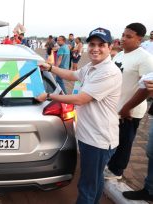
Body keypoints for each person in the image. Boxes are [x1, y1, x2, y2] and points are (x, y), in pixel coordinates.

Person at [36, 27, 122, 204]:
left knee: (87, 186)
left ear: (110, 47)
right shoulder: (93, 66)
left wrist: (50, 96)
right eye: (92, 44)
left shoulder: (108, 71)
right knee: (94, 181)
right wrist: (50, 67)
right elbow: (73, 75)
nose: (95, 48)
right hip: (90, 135)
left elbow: (81, 99)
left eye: (101, 45)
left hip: (99, 139)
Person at [104, 23, 153, 180]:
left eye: (129, 36)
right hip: (116, 107)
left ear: (139, 39)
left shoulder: (145, 58)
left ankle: (116, 171)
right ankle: (111, 164)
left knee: (125, 142)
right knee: (113, 139)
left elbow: (147, 88)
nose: (123, 38)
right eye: (123, 35)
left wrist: (127, 107)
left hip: (130, 110)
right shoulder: (119, 55)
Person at [118, 74, 153, 201]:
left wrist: (127, 107)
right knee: (151, 152)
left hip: (133, 114)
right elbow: (146, 86)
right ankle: (149, 190)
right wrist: (127, 106)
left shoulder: (145, 58)